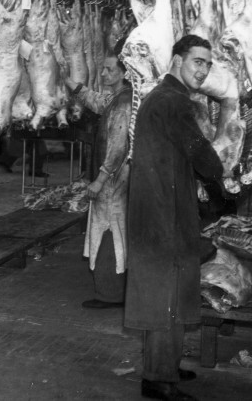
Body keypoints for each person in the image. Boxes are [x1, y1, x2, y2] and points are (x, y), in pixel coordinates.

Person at [126, 35, 225, 401]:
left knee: (176, 291)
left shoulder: (168, 98)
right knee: (165, 297)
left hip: (167, 208)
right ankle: (158, 381)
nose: (202, 70)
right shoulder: (171, 101)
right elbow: (198, 148)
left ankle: (165, 366)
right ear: (178, 60)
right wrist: (221, 176)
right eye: (197, 61)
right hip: (160, 215)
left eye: (207, 64)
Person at [79, 40, 132, 309]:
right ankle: (111, 289)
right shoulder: (118, 98)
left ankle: (109, 294)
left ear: (124, 72)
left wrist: (100, 178)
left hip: (113, 179)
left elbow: (118, 145)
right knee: (110, 227)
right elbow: (100, 103)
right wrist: (76, 88)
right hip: (115, 177)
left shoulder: (124, 103)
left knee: (109, 229)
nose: (103, 74)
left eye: (109, 70)